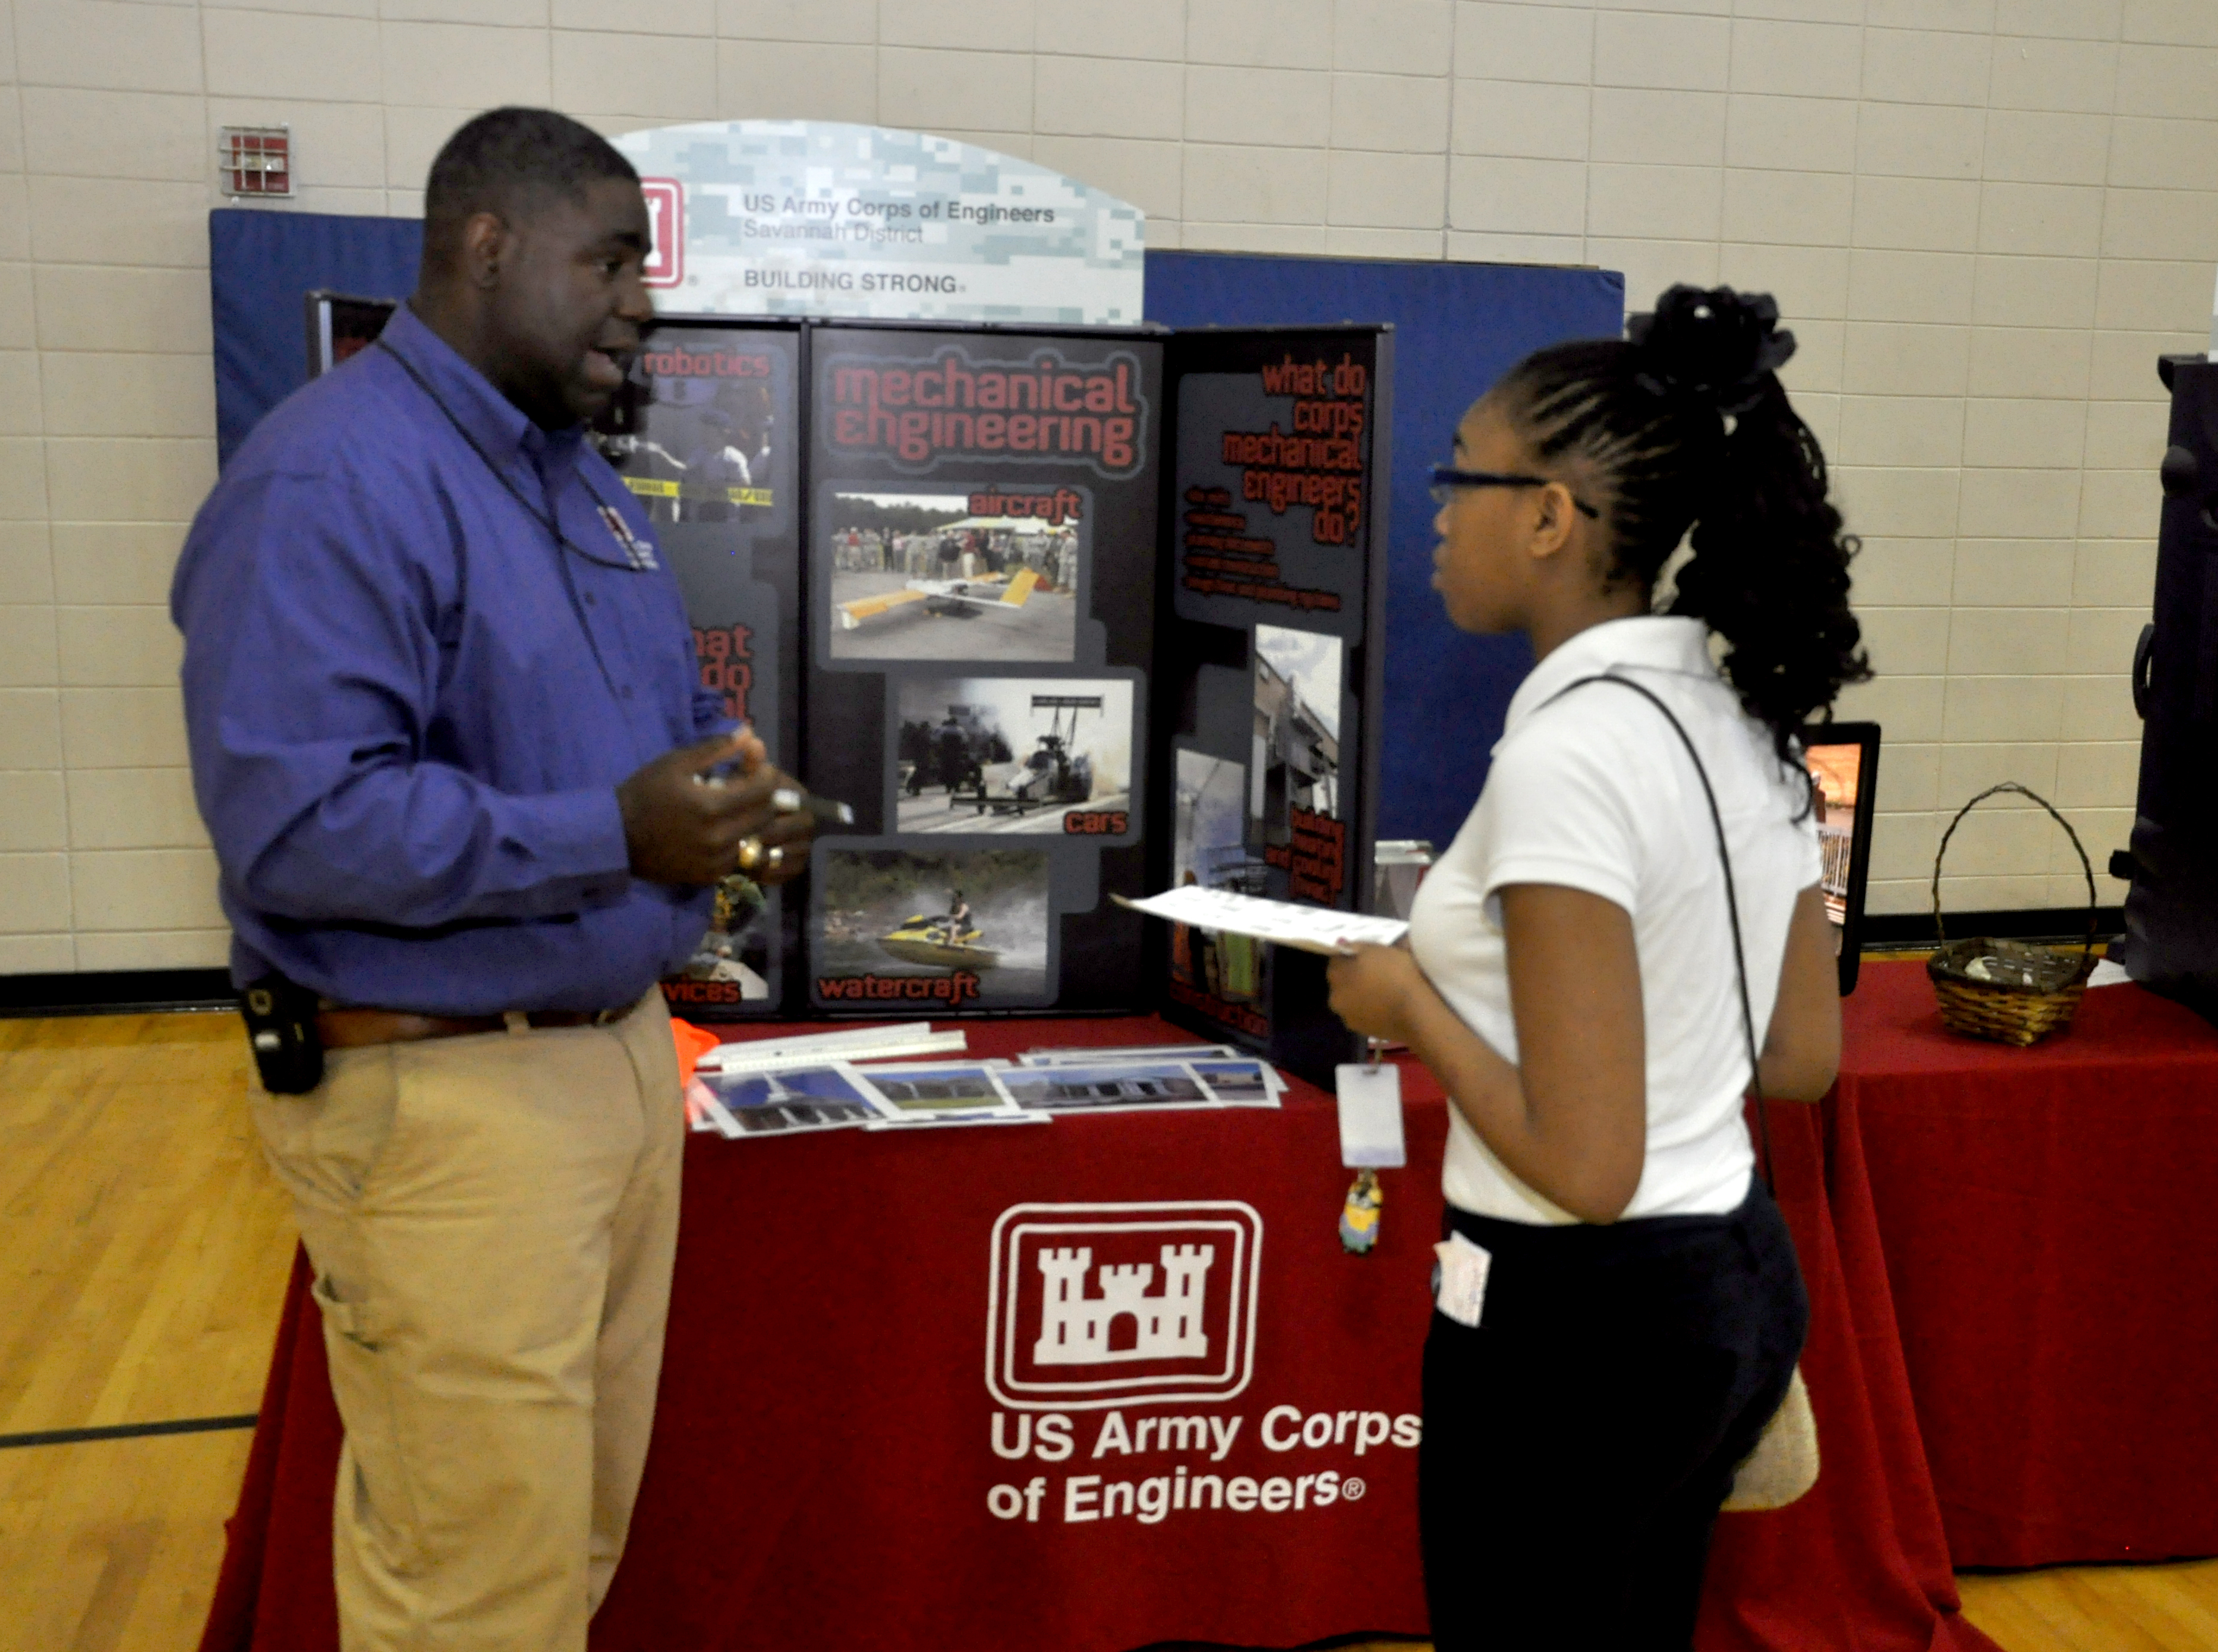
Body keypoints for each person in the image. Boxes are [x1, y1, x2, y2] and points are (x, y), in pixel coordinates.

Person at [170, 108, 815, 1652]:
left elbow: (654, 739)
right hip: (447, 1100)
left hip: (609, 1065)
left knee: (564, 1551)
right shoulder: (332, 480)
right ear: (484, 246)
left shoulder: (575, 484)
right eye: (606, 261)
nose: (638, 303)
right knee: (470, 1588)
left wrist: (730, 802)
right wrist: (616, 833)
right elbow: (302, 826)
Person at [1326, 286, 1865, 1651]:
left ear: (1553, 516)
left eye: (1462, 475)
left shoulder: (1571, 756)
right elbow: (1801, 1061)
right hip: (1729, 1289)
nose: (1438, 511)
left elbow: (1588, 1166)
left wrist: (1412, 1007)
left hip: (1578, 1329)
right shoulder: (1746, 720)